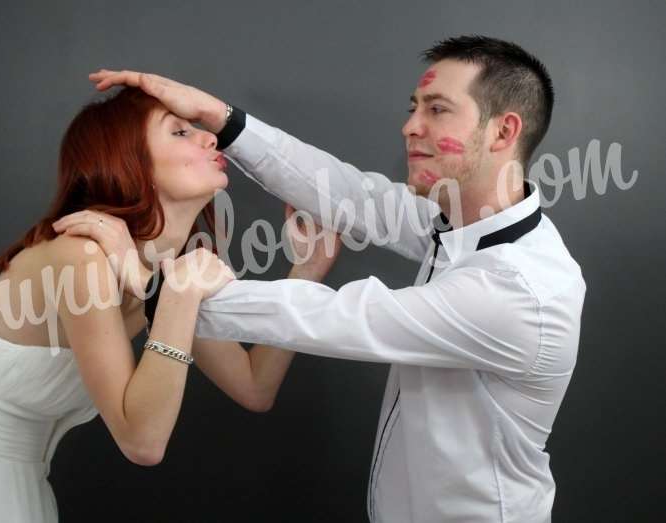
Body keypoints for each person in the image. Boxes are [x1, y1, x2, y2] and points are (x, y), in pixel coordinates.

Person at [89, 35, 586, 522]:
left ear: (503, 133)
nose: (411, 126)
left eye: (437, 110)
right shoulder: (457, 221)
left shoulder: (519, 287)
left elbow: (334, 318)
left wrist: (157, 289)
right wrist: (221, 117)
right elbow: (345, 191)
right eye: (413, 107)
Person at [0, 87, 340, 522]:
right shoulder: (80, 256)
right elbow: (143, 441)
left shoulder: (161, 271)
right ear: (128, 162)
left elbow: (254, 387)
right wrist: (177, 295)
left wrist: (305, 275)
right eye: (179, 132)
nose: (210, 137)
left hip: (19, 489)